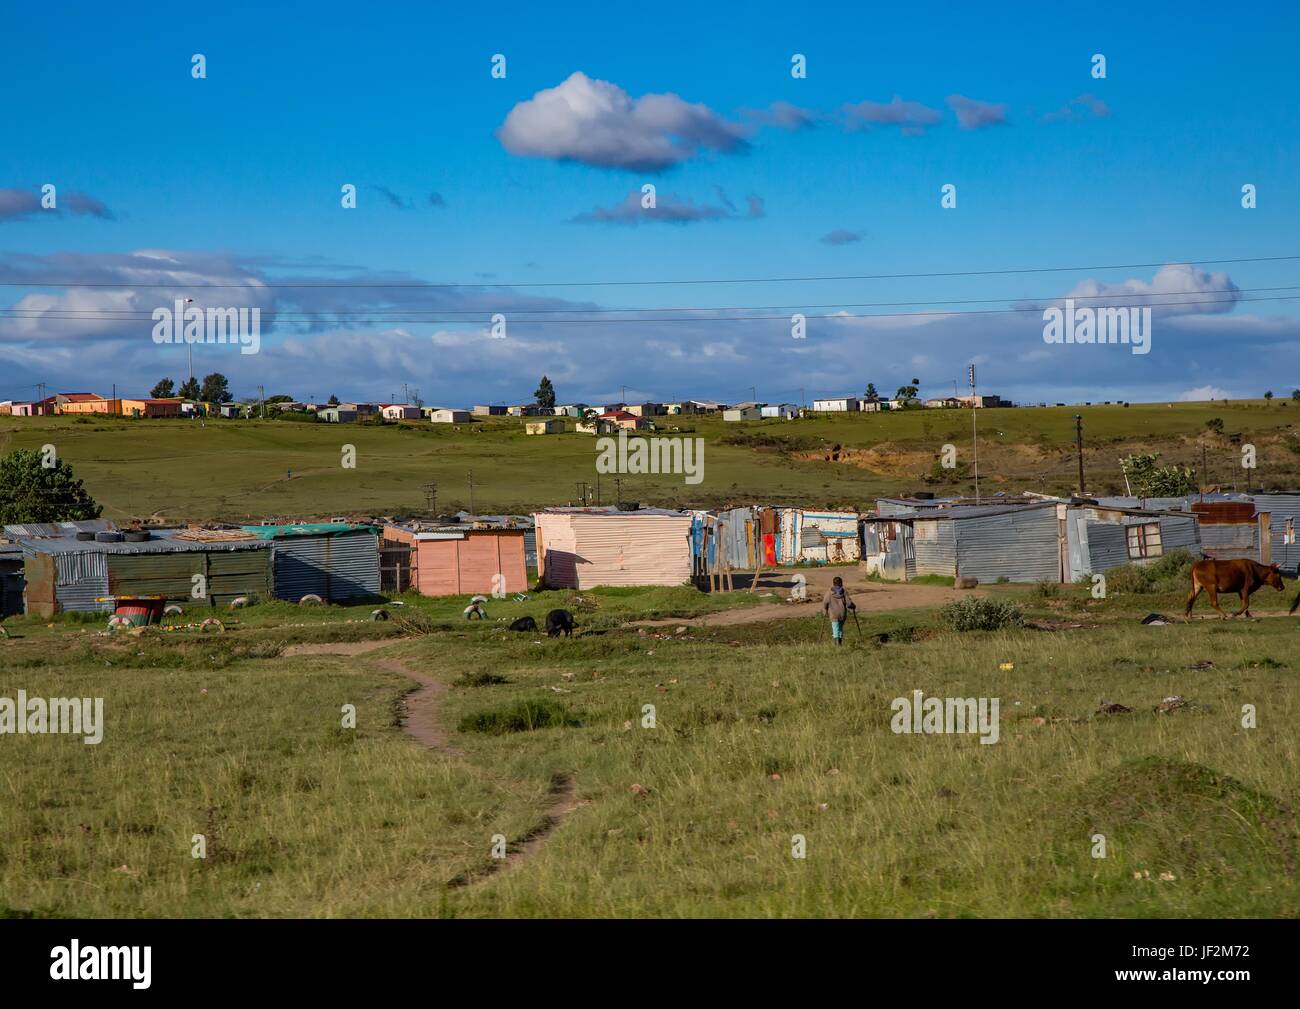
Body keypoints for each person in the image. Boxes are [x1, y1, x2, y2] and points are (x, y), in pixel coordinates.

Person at [822, 576, 856, 645]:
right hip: (842, 614)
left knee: (835, 630)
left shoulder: (829, 593)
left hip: (833, 615)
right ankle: (839, 644)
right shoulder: (844, 592)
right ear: (841, 583)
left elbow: (825, 602)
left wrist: (825, 609)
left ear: (833, 583)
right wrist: (853, 606)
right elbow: (849, 604)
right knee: (840, 629)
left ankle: (837, 647)